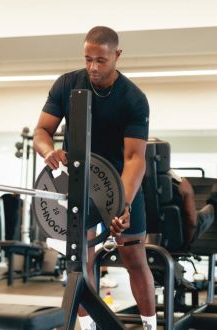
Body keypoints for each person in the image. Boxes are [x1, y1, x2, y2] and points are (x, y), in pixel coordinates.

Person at [33, 26, 156, 330]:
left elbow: (134, 158)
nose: (93, 67)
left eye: (100, 60)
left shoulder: (133, 99)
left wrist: (122, 205)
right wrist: (48, 151)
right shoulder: (66, 85)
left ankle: (150, 325)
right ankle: (87, 327)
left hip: (121, 179)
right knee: (81, 258)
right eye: (88, 59)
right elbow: (41, 131)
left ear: (117, 55)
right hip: (81, 181)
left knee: (134, 257)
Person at [168, 169, 217, 249]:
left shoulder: (143, 183)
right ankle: (213, 203)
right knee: (201, 218)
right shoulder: (181, 184)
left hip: (149, 242)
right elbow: (192, 224)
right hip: (178, 241)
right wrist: (185, 244)